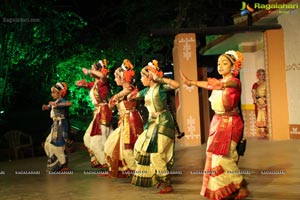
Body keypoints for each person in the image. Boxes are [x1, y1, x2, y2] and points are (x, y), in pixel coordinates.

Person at [180, 50, 249, 200]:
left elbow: (230, 83)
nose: (220, 66)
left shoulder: (234, 81)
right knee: (213, 157)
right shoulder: (219, 83)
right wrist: (191, 82)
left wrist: (221, 84)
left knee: (225, 157)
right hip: (217, 122)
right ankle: (227, 188)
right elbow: (207, 84)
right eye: (218, 63)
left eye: (224, 63)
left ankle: (240, 184)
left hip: (231, 123)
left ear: (233, 67)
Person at [129, 60, 180, 194]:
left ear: (150, 76)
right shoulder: (146, 90)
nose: (141, 79)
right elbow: (133, 96)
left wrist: (160, 79)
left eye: (143, 76)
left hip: (163, 122)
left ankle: (166, 181)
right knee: (139, 147)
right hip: (152, 124)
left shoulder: (161, 88)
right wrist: (130, 96)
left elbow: (176, 84)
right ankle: (159, 175)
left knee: (156, 154)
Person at [104, 59, 144, 178]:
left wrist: (115, 98)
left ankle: (139, 172)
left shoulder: (129, 90)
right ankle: (133, 170)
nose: (115, 79)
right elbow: (111, 104)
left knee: (129, 148)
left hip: (131, 121)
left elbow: (112, 103)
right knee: (111, 145)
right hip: (125, 121)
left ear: (122, 77)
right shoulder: (124, 91)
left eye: (116, 77)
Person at [76, 59, 112, 169]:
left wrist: (88, 71)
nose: (91, 71)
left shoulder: (103, 81)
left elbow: (102, 75)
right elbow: (90, 85)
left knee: (99, 142)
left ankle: (109, 165)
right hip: (98, 113)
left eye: (93, 69)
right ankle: (101, 160)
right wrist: (83, 84)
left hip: (103, 112)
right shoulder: (95, 83)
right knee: (87, 138)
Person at [42, 82, 72, 172]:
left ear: (59, 93)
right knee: (47, 144)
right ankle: (61, 162)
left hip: (61, 124)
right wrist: (46, 107)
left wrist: (57, 105)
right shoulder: (54, 102)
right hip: (55, 125)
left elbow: (69, 103)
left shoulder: (62, 101)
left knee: (57, 145)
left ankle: (62, 163)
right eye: (52, 92)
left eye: (54, 92)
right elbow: (49, 106)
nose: (52, 94)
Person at [252, 69, 267, 139]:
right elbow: (254, 95)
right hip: (258, 103)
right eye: (260, 74)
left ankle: (267, 132)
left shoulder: (267, 83)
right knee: (259, 116)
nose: (262, 76)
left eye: (263, 74)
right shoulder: (255, 85)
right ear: (257, 75)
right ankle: (262, 132)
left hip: (266, 102)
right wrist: (258, 104)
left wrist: (265, 103)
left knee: (266, 115)